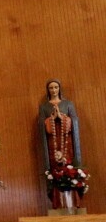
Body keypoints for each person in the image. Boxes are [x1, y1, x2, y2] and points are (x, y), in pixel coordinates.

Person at [38, 79, 82, 207]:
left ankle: (74, 201)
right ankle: (57, 201)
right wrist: (51, 119)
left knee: (69, 165)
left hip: (66, 142)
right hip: (52, 142)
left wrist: (62, 118)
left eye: (56, 87)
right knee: (55, 167)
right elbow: (41, 125)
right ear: (48, 90)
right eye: (51, 88)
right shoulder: (44, 107)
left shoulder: (68, 104)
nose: (54, 90)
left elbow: (75, 121)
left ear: (59, 88)